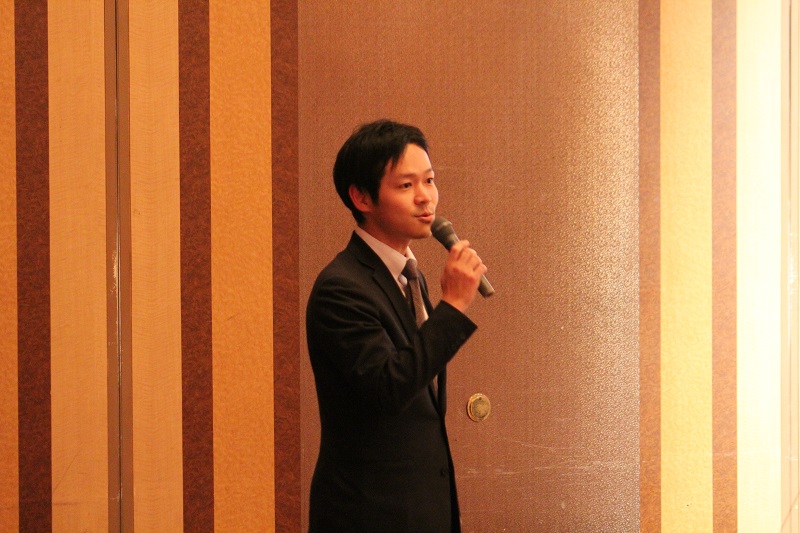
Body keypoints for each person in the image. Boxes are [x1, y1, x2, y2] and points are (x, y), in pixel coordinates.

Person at [306, 119, 487, 532]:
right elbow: (389, 388)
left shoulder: (409, 277)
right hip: (369, 515)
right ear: (361, 197)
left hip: (420, 510)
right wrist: (453, 305)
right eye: (406, 185)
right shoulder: (341, 287)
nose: (425, 197)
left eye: (429, 180)